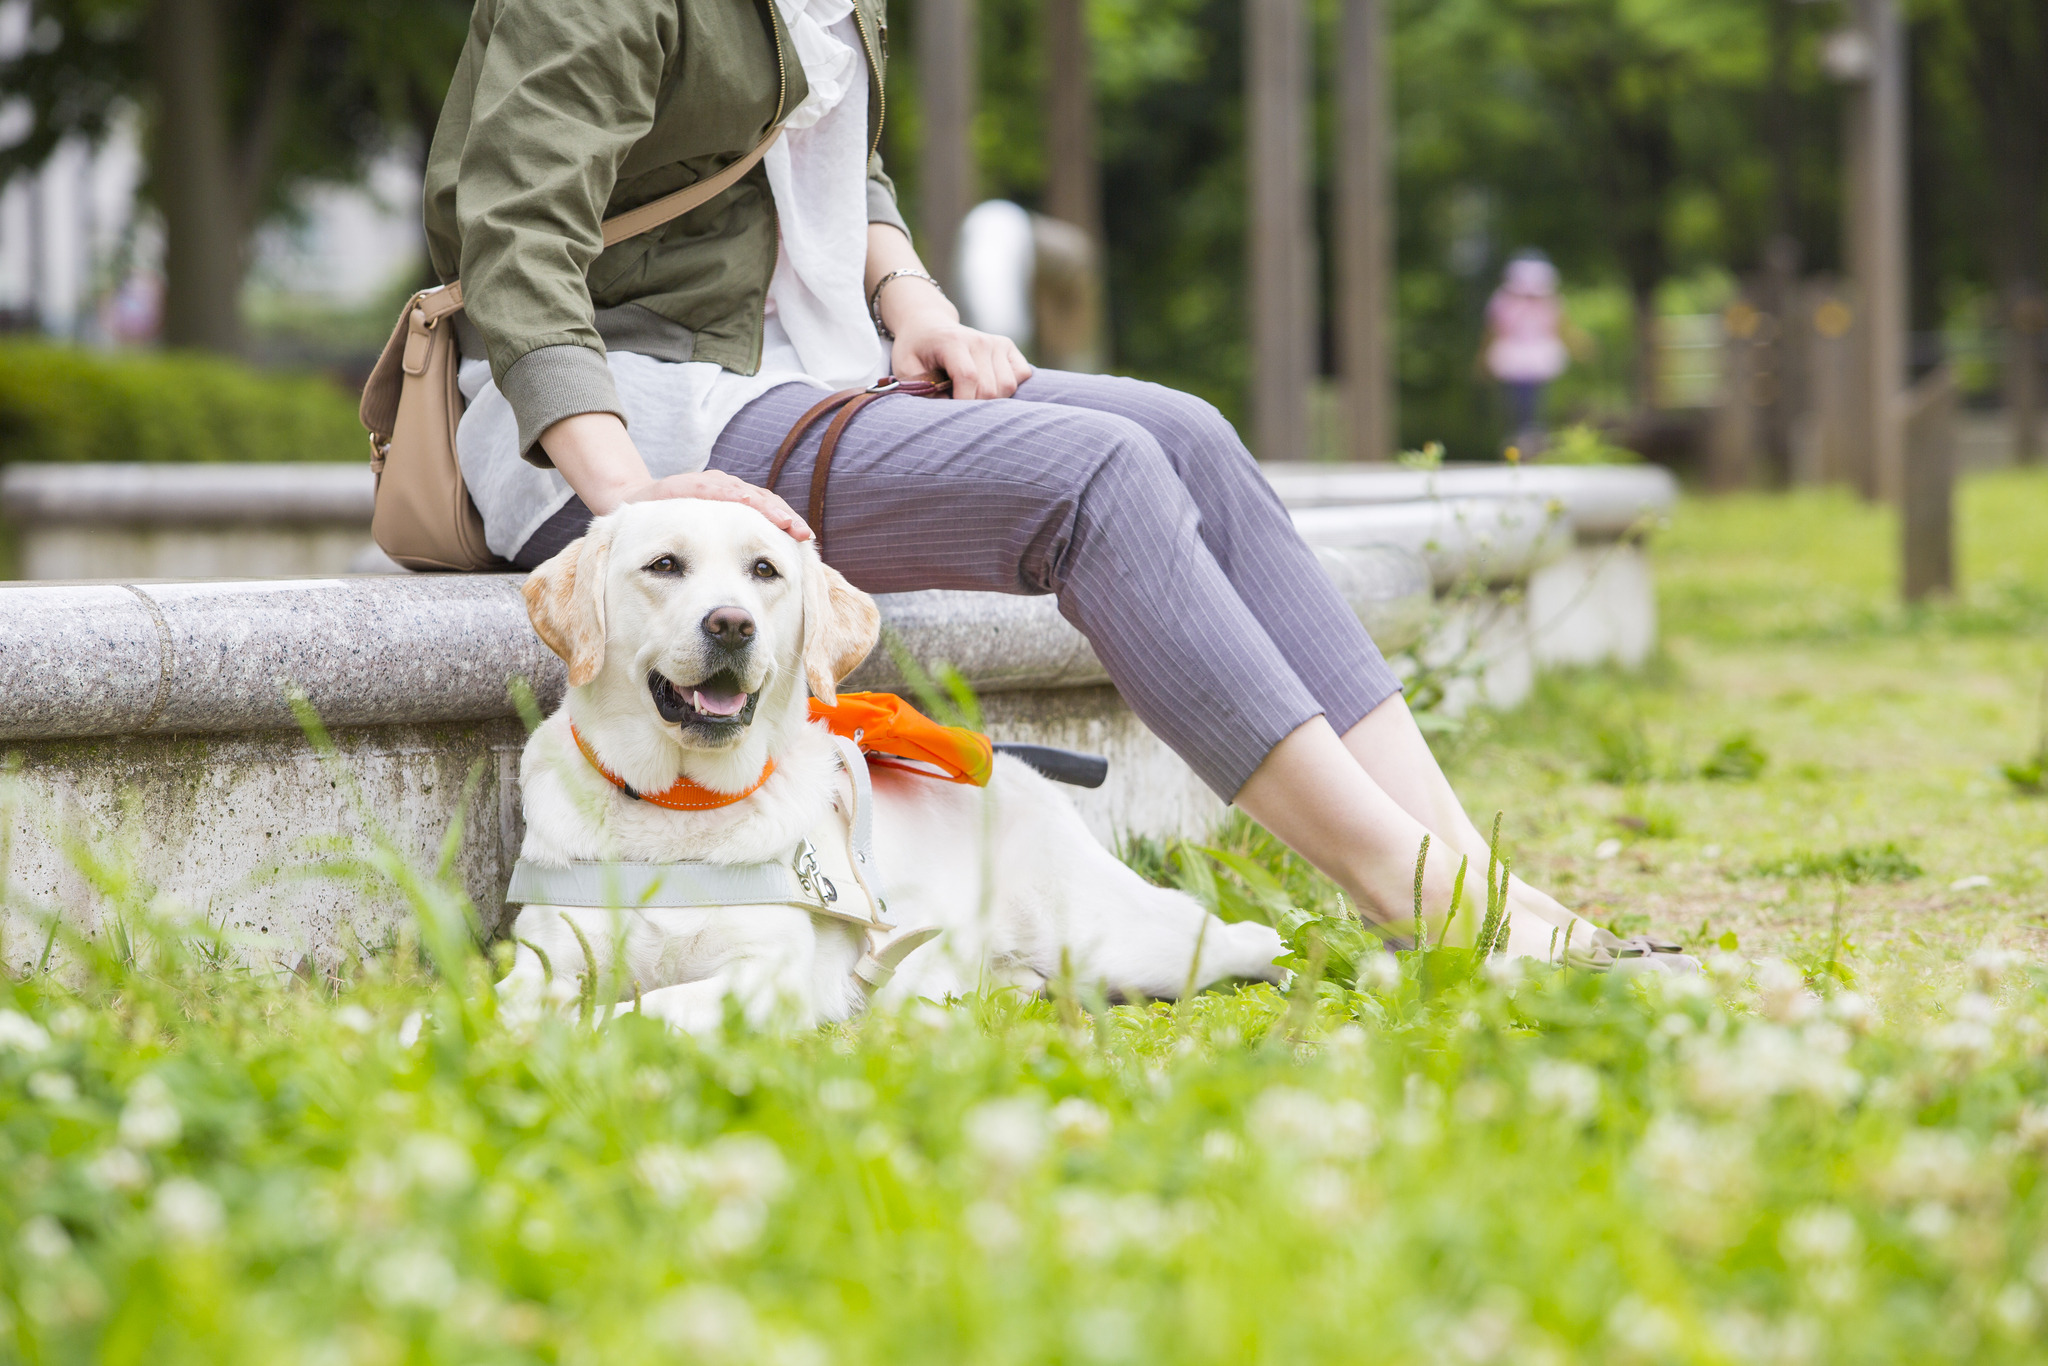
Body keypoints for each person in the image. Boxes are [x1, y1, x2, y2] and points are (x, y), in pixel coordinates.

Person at [425, 0, 1684, 970]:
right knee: (1091, 477)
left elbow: (826, 166)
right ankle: (1407, 891)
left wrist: (911, 304)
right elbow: (515, 237)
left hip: (809, 376)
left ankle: (1467, 874)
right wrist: (636, 503)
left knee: (1185, 433)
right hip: (630, 420)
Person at [1483, 253, 1570, 452]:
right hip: (1513, 355)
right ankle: (1520, 434)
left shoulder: (1550, 302)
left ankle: (1533, 433)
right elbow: (1495, 329)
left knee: (1536, 397)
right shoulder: (1504, 301)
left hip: (1539, 354)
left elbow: (1559, 327)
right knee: (1517, 398)